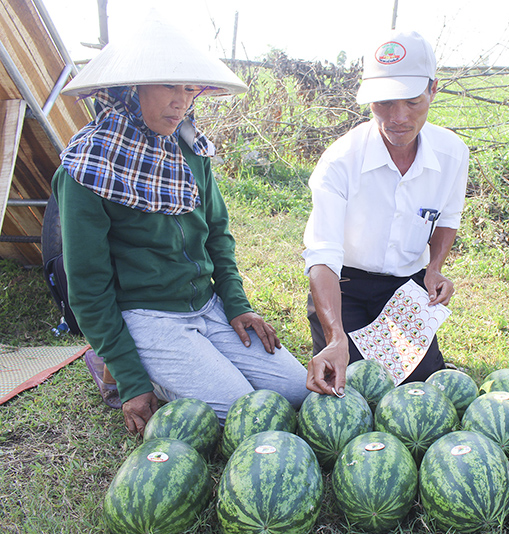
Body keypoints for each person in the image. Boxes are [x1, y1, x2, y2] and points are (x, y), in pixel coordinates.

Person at [53, 15, 309, 436]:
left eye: (190, 89)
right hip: (146, 314)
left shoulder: (190, 153)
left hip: (207, 306)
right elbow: (87, 286)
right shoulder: (87, 169)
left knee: (296, 392)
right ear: (130, 89)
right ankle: (119, 361)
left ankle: (184, 356)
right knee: (240, 414)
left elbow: (218, 236)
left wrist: (237, 304)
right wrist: (135, 384)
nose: (182, 102)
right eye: (170, 86)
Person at [303, 30, 469, 397]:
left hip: (403, 290)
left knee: (418, 391)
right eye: (384, 103)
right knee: (359, 389)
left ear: (433, 90)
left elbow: (446, 218)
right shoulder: (340, 162)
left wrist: (434, 267)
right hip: (344, 286)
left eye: (412, 102)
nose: (398, 118)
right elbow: (323, 257)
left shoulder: (452, 153)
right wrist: (335, 336)